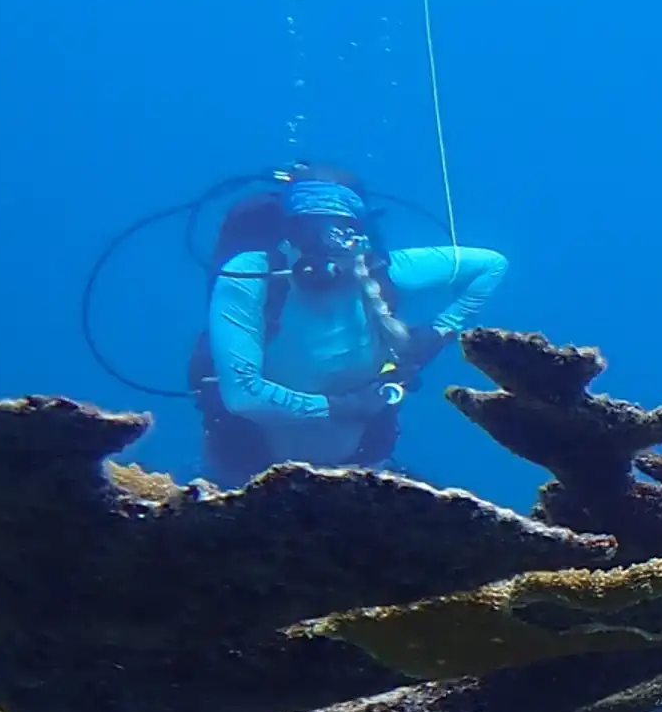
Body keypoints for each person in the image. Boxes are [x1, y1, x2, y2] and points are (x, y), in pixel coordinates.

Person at [194, 165, 508, 484]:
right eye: (308, 229)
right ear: (287, 229)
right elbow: (242, 396)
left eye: (341, 229)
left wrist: (438, 333)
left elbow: (491, 265)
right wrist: (342, 407)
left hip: (361, 465)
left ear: (359, 231)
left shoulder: (384, 271)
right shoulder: (252, 275)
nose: (324, 251)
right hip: (249, 473)